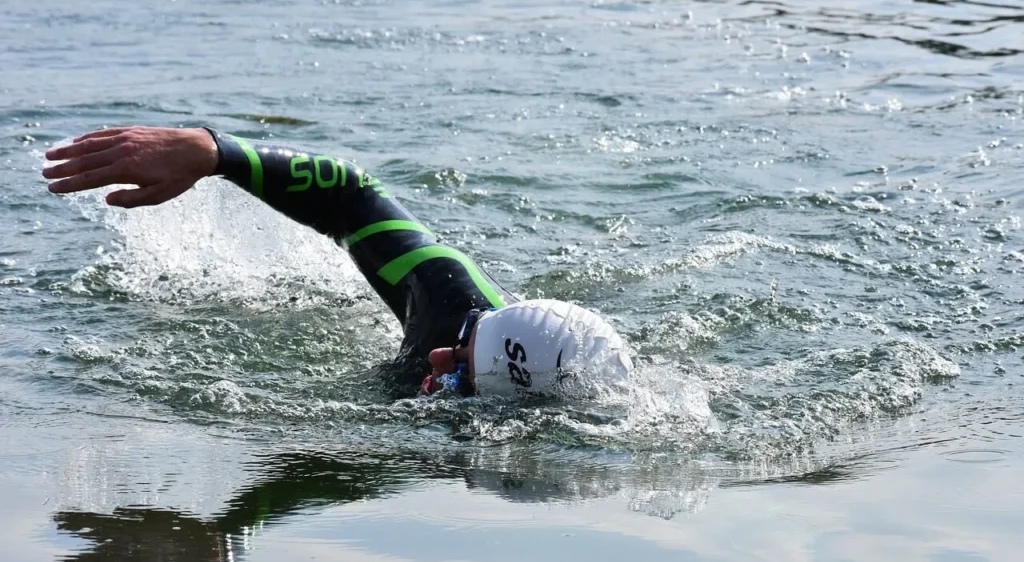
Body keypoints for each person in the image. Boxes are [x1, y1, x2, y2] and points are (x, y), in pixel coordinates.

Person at [42, 126, 633, 398]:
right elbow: (351, 195)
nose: (436, 353)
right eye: (463, 339)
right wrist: (216, 152)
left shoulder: (482, 442)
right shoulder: (450, 302)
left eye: (457, 372)